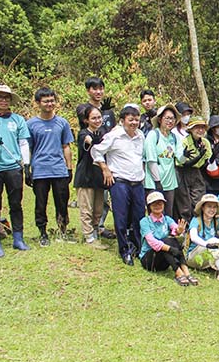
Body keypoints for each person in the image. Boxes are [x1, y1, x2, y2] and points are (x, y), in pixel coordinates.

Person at [0, 85, 31, 257]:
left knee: (16, 203)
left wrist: (26, 164)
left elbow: (23, 143)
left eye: (7, 97)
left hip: (14, 167)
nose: (3, 100)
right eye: (0, 97)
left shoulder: (18, 120)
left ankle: (18, 238)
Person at [92, 105, 145, 265]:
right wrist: (105, 169)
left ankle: (137, 246)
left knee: (139, 217)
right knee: (121, 217)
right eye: (131, 120)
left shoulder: (140, 135)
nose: (134, 123)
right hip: (120, 181)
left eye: (137, 119)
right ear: (122, 121)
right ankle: (124, 249)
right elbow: (96, 151)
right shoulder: (114, 135)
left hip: (137, 182)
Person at [27, 87, 74, 246]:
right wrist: (27, 169)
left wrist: (69, 168)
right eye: (46, 101)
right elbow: (28, 148)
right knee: (40, 203)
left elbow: (66, 146)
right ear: (38, 103)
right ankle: (42, 232)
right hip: (40, 170)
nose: (50, 103)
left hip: (59, 169)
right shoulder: (31, 124)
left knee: (62, 201)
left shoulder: (62, 123)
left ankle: (63, 230)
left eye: (52, 100)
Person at [138, 191, 197, 286]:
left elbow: (175, 229)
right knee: (164, 243)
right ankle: (179, 273)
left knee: (172, 240)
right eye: (154, 204)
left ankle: (186, 272)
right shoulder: (144, 222)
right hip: (149, 260)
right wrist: (171, 249)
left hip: (164, 262)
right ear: (149, 206)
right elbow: (152, 242)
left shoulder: (167, 219)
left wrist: (179, 231)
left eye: (160, 203)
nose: (158, 206)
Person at [74, 105, 106, 245]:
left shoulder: (103, 133)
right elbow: (88, 139)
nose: (97, 120)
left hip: (99, 176)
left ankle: (95, 231)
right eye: (93, 118)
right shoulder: (83, 133)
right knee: (86, 208)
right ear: (87, 120)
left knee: (98, 208)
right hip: (85, 175)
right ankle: (88, 237)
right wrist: (94, 141)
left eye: (99, 117)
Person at [143, 103, 181, 216]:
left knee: (168, 213)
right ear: (160, 119)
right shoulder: (153, 135)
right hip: (154, 182)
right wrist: (157, 181)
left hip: (170, 182)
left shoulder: (174, 137)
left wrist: (186, 155)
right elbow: (151, 159)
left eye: (173, 119)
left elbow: (180, 157)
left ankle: (167, 233)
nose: (170, 121)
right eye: (167, 118)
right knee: (155, 212)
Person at [175, 116, 211, 222]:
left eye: (202, 127)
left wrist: (212, 158)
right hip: (183, 172)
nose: (200, 130)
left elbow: (205, 162)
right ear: (191, 129)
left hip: (197, 172)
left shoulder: (205, 142)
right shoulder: (184, 142)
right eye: (197, 127)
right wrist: (199, 156)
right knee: (184, 203)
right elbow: (184, 163)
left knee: (199, 200)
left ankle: (199, 225)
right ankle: (185, 228)